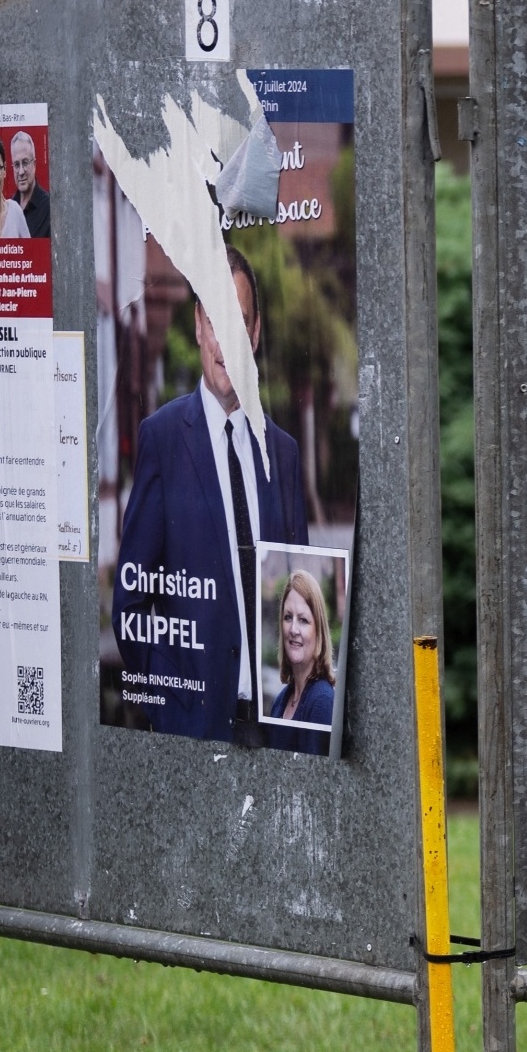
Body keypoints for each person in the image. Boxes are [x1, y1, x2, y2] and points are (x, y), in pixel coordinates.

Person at [113, 254, 310, 741]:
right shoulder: (161, 440)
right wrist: (171, 706)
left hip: (276, 734)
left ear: (256, 332)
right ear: (199, 325)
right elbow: (129, 604)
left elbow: (306, 593)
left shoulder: (282, 455)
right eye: (216, 321)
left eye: (239, 322)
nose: (227, 342)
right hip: (193, 734)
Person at [262, 562, 339, 756]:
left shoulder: (321, 701)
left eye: (303, 620)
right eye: (288, 617)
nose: (293, 629)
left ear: (318, 630)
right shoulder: (281, 700)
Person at [6, 131, 50, 244]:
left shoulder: (49, 208)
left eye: (25, 163)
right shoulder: (7, 209)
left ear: (34, 165)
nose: (21, 172)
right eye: (16, 164)